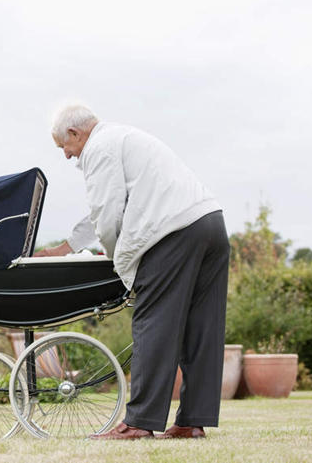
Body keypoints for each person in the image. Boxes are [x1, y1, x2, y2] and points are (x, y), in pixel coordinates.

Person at [35, 104, 229, 440]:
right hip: (210, 224)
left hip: (173, 234)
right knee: (202, 328)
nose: (66, 155)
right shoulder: (122, 137)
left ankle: (138, 423)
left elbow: (107, 214)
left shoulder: (98, 148)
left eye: (63, 146)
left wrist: (118, 261)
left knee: (153, 323)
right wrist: (67, 247)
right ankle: (191, 422)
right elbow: (110, 205)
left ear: (76, 134)